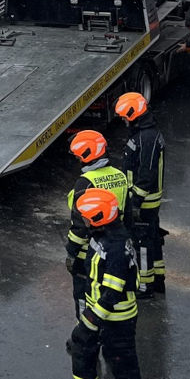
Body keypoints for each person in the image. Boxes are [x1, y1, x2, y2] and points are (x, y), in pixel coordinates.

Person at [67, 188, 142, 379]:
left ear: (99, 219)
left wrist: (90, 322)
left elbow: (112, 294)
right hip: (102, 315)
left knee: (124, 369)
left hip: (115, 320)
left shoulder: (115, 247)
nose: (85, 223)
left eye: (87, 219)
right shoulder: (104, 235)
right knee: (82, 354)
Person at [65, 130, 129, 319]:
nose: (77, 160)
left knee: (84, 296)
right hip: (115, 246)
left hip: (89, 253)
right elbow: (128, 216)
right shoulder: (120, 176)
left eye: (78, 156)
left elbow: (79, 226)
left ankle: (86, 333)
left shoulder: (85, 183)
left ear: (86, 155)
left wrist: (71, 252)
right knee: (108, 293)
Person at [116, 92, 166, 297]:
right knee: (152, 239)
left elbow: (146, 173)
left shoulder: (146, 138)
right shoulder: (145, 133)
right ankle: (158, 280)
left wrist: (135, 201)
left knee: (142, 244)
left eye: (125, 116)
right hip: (145, 200)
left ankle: (145, 286)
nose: (123, 120)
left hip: (144, 202)